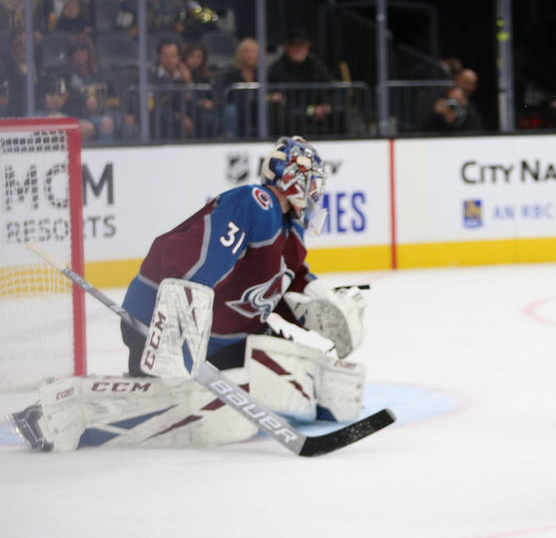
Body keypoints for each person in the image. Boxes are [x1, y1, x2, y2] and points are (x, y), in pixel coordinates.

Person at [10, 136, 368, 452]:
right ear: (293, 177)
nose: (316, 191)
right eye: (312, 181)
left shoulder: (292, 235)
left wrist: (321, 303)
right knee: (180, 405)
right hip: (159, 323)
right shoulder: (255, 202)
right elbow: (209, 254)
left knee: (291, 370)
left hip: (226, 340)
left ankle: (324, 397)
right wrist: (180, 316)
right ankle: (65, 410)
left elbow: (284, 286)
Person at [267, 27, 339, 135]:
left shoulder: (315, 65)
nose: (298, 49)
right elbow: (269, 93)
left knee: (340, 112)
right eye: (294, 45)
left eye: (302, 46)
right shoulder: (277, 68)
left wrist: (327, 105)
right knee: (285, 115)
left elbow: (332, 88)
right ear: (287, 47)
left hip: (315, 108)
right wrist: (274, 97)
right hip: (291, 110)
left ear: (308, 47)